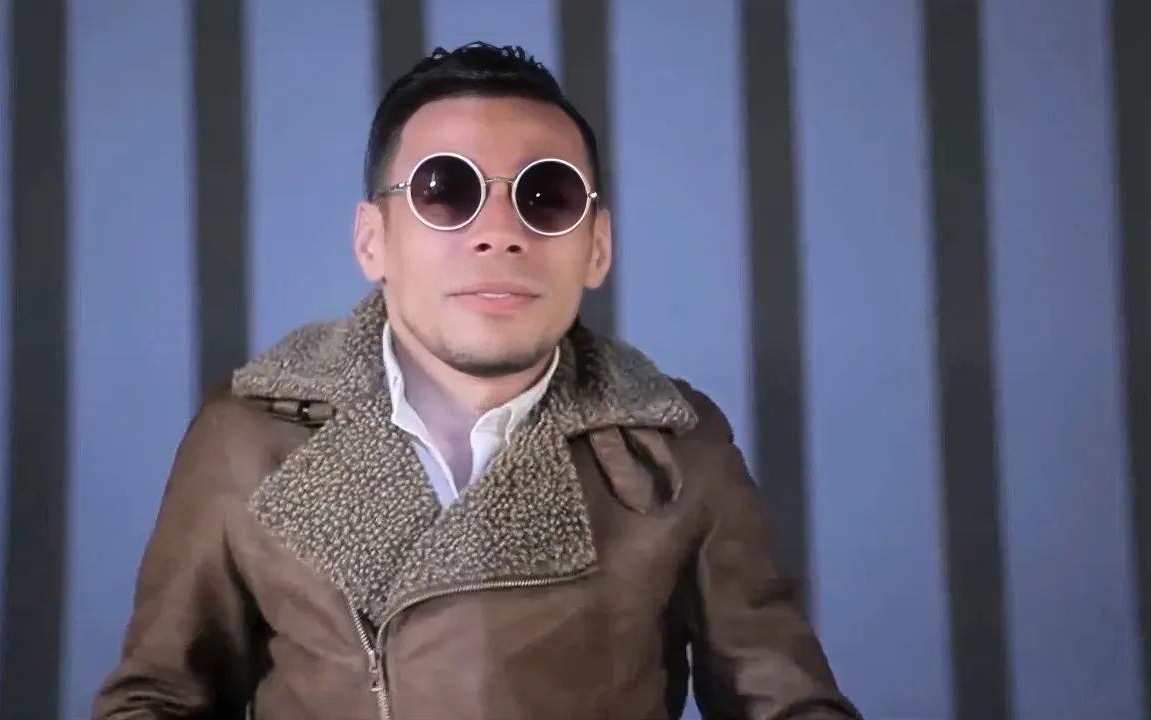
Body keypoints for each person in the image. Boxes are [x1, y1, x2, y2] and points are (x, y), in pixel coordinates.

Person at [91, 42, 861, 720]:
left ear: (597, 247)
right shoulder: (247, 438)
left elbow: (786, 701)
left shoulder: (678, 449)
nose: (499, 232)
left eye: (546, 197)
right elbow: (159, 700)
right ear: (372, 241)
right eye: (445, 191)